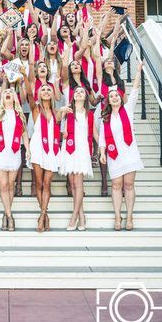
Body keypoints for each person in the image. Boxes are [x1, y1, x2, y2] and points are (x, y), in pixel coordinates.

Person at [0, 67, 30, 231]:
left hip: (14, 152)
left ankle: (6, 213)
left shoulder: (19, 114)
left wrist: (28, 150)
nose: (8, 93)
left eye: (11, 92)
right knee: (3, 184)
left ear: (14, 97)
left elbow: (24, 134)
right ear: (2, 97)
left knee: (10, 184)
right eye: (5, 92)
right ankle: (10, 216)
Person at [99, 62, 145, 231]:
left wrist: (138, 72)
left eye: (116, 96)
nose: (114, 98)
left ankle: (130, 216)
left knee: (129, 185)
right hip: (114, 155)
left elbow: (135, 90)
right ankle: (118, 216)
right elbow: (103, 139)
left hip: (129, 153)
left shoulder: (128, 109)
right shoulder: (105, 118)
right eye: (111, 97)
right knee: (116, 185)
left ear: (119, 97)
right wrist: (102, 153)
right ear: (109, 101)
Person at [22, 67, 68, 232]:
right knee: (39, 183)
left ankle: (42, 215)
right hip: (38, 147)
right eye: (43, 89)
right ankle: (44, 215)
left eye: (49, 89)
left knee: (47, 184)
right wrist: (25, 76)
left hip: (52, 149)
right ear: (39, 94)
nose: (46, 91)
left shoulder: (57, 112)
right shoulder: (35, 109)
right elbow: (28, 93)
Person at [59, 86, 98, 231]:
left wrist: (102, 148)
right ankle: (82, 216)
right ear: (73, 96)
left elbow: (94, 133)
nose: (79, 93)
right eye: (76, 92)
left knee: (79, 182)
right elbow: (57, 122)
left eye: (82, 92)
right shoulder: (68, 111)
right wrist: (61, 111)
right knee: (73, 184)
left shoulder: (89, 114)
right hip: (69, 149)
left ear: (86, 97)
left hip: (82, 149)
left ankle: (74, 216)